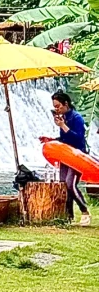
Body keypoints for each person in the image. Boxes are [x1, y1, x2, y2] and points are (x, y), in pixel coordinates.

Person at [41, 90, 91, 226]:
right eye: (54, 107)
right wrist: (51, 139)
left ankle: (85, 211)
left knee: (70, 184)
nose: (56, 109)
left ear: (66, 104)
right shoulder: (64, 118)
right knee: (63, 185)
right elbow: (65, 139)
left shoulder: (76, 118)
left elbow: (78, 138)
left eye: (58, 106)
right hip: (65, 155)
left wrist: (63, 125)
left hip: (77, 156)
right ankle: (68, 216)